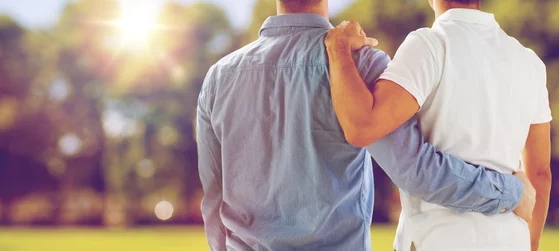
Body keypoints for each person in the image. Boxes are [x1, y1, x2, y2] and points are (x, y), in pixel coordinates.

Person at [197, 0, 535, 250]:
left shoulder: (218, 78)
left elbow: (213, 201)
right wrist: (511, 192)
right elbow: (416, 171)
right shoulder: (360, 64)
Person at [324, 0, 552, 250]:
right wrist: (529, 242)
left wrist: (339, 51)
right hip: (510, 240)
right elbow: (540, 173)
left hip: (437, 239)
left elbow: (363, 127)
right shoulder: (530, 63)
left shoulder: (430, 45)